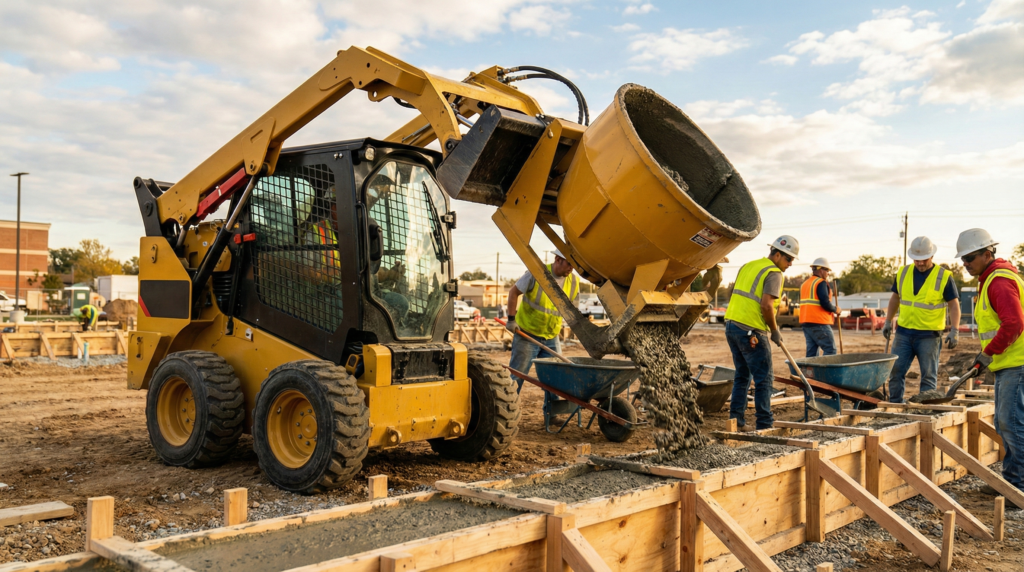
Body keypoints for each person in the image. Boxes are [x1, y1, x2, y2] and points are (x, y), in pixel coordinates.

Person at [957, 228, 1024, 503]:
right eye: (963, 259)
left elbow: (1014, 323)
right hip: (1006, 363)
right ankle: (1011, 481)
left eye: (970, 258)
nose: (966, 264)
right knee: (1003, 422)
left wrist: (988, 354)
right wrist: (988, 357)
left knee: (1011, 423)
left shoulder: (998, 280)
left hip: (1016, 363)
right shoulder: (990, 278)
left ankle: (1018, 488)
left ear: (988, 253)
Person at [724, 235, 799, 430]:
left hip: (732, 326)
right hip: (751, 330)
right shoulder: (774, 273)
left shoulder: (749, 265)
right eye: (789, 259)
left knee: (742, 375)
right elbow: (766, 306)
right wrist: (774, 330)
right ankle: (765, 425)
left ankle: (736, 422)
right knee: (764, 378)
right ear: (777, 254)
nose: (790, 264)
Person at [882, 236, 961, 403]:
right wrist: (888, 321)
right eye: (916, 260)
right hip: (903, 333)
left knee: (928, 376)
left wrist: (955, 330)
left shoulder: (944, 276)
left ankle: (923, 410)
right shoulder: (903, 272)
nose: (920, 263)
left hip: (929, 336)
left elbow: (954, 305)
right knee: (895, 372)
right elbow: (895, 298)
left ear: (931, 256)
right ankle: (894, 405)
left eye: (924, 259)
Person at [505, 251, 580, 413]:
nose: (571, 269)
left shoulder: (574, 281)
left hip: (551, 336)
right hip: (527, 334)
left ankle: (552, 414)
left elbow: (573, 311)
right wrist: (511, 319)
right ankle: (505, 410)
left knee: (555, 378)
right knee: (517, 375)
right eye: (569, 264)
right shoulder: (537, 273)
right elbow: (513, 292)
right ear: (558, 259)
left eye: (574, 265)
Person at [799, 257, 839, 357]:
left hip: (806, 323)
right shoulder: (820, 282)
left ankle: (811, 373)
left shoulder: (805, 284)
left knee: (812, 354)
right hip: (819, 322)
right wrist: (836, 309)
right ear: (821, 270)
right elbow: (825, 303)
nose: (828, 273)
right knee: (831, 350)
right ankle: (826, 373)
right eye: (827, 270)